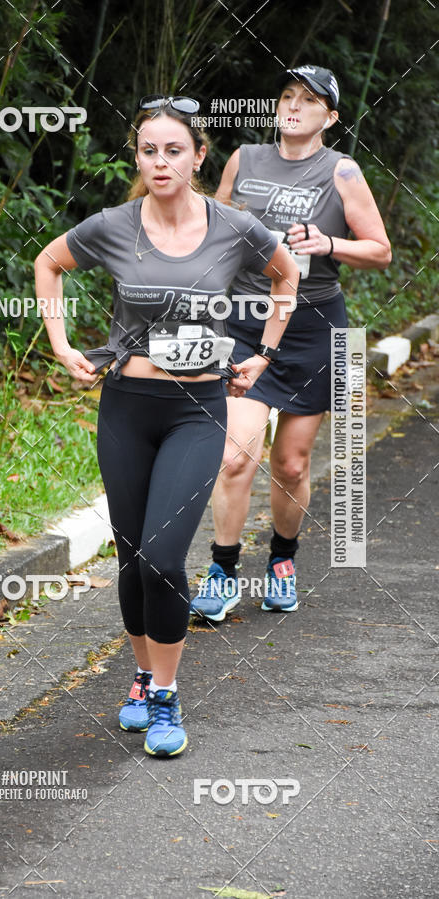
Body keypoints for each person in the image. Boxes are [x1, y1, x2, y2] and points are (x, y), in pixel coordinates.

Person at [34, 95, 298, 757]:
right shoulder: (116, 225)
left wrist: (261, 354)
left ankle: (167, 697)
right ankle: (142, 674)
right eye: (148, 149)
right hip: (125, 407)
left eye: (173, 149)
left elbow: (286, 275)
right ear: (138, 156)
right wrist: (63, 345)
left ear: (199, 155)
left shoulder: (233, 227)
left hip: (197, 410)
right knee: (131, 558)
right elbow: (49, 263)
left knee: (161, 554)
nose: (160, 161)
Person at [190, 65, 391, 622]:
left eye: (308, 100)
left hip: (313, 327)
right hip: (244, 322)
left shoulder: (342, 171)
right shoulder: (244, 159)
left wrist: (329, 242)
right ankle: (223, 569)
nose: (293, 106)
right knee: (233, 456)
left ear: (330, 116)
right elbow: (214, 228)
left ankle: (281, 560)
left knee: (294, 464)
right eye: (286, 96)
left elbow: (380, 250)